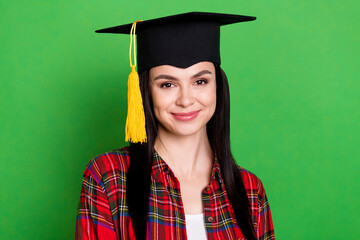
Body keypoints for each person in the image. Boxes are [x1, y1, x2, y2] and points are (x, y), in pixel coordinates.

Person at [75, 12, 275, 240]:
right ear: (145, 92)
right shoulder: (108, 178)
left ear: (217, 86)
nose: (186, 100)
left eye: (200, 81)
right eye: (168, 84)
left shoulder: (249, 190)